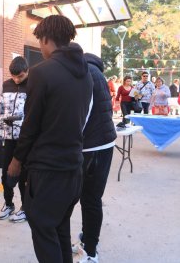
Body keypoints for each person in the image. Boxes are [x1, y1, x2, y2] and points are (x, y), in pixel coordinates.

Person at [7, 15, 93, 263]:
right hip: (74, 167)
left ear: (46, 39)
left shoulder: (41, 72)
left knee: (44, 231)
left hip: (48, 170)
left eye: (40, 43)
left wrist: (17, 159)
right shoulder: (86, 72)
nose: (41, 49)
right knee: (60, 229)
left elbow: (31, 124)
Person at [71, 53, 117, 263]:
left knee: (89, 199)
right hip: (103, 144)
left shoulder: (86, 73)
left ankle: (90, 252)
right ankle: (86, 239)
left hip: (92, 147)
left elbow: (84, 113)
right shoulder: (96, 72)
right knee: (90, 198)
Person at [0, 56, 28, 222]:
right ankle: (8, 204)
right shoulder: (6, 84)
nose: (16, 80)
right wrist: (0, 131)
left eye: (20, 76)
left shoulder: (33, 85)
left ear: (27, 71)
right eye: (13, 76)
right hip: (8, 136)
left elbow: (34, 112)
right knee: (5, 173)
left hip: (25, 137)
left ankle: (26, 208)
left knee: (24, 175)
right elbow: (1, 109)